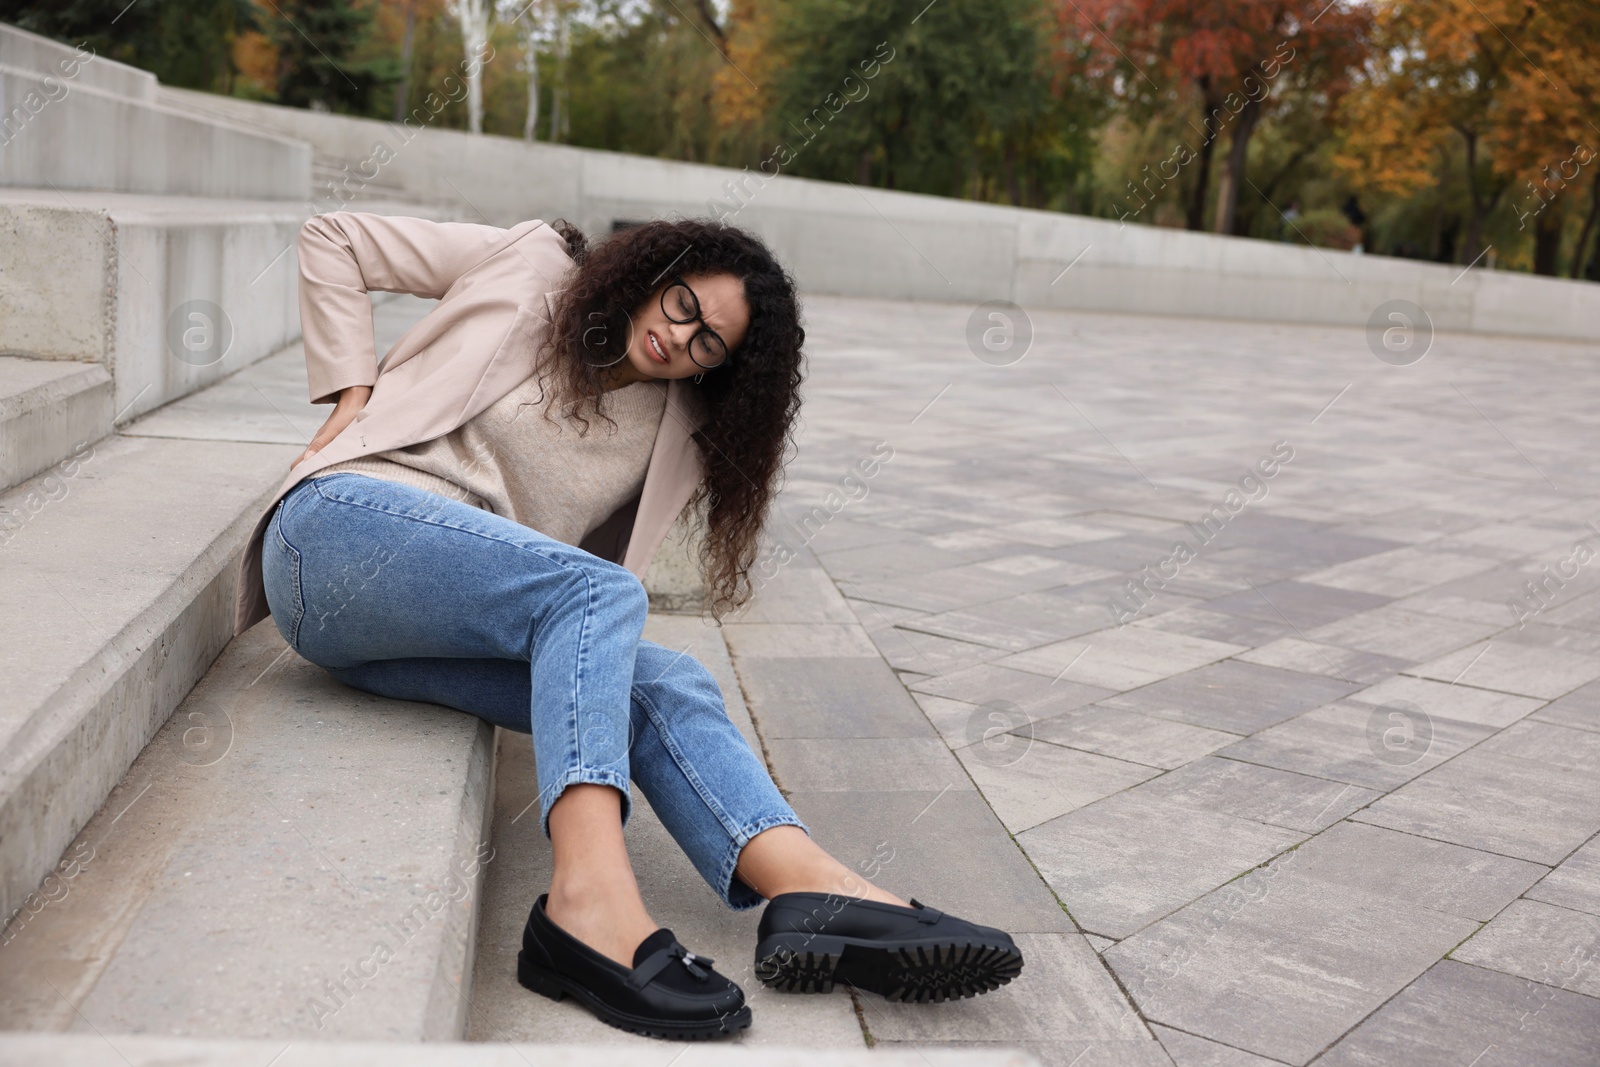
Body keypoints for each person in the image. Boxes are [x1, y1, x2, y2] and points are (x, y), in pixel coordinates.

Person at [243, 211, 1023, 1040]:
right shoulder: (532, 261)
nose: (682, 339)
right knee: (598, 594)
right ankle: (585, 902)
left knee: (665, 681)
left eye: (709, 345)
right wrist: (353, 392)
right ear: (657, 271)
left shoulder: (676, 427)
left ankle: (807, 885)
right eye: (684, 305)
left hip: (415, 632)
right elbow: (335, 236)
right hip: (341, 530)